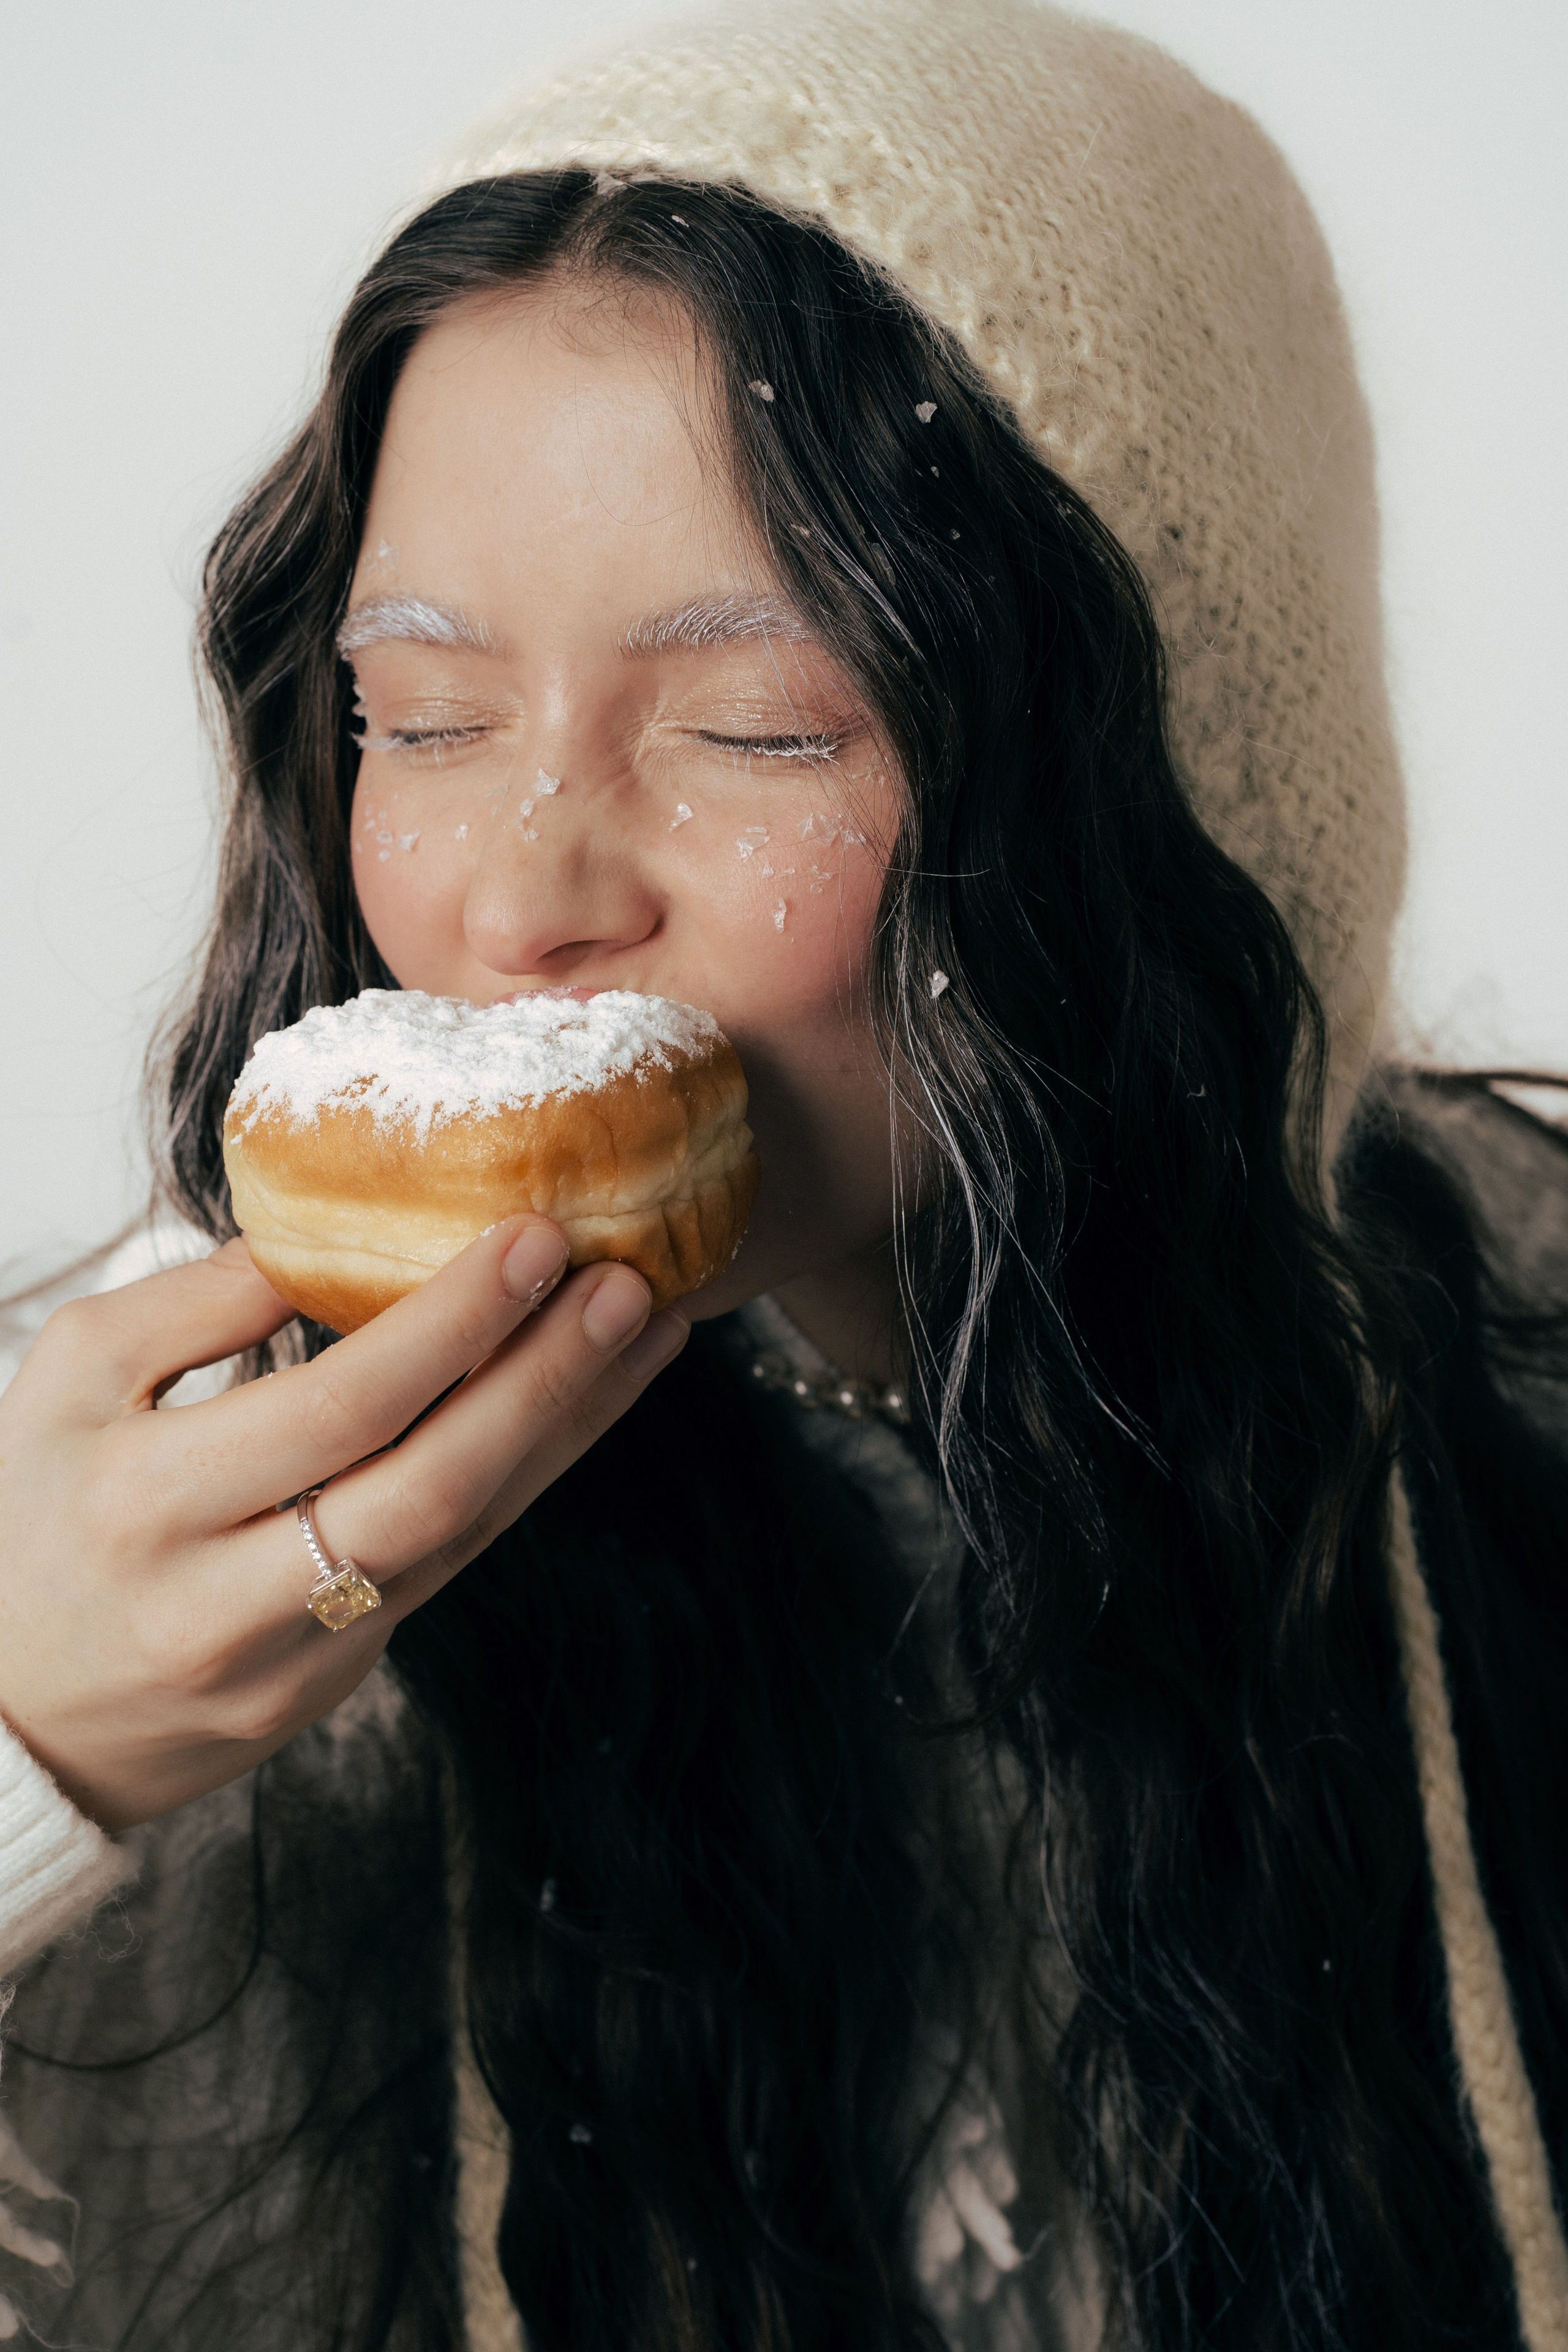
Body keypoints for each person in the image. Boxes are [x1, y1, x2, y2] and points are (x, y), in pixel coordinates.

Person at [0, 1, 1565, 2345]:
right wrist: (31, 1756)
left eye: (755, 728)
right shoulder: (136, 1517)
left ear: (1169, 806)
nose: (524, 897)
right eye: (420, 719)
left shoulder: (1510, 1416)